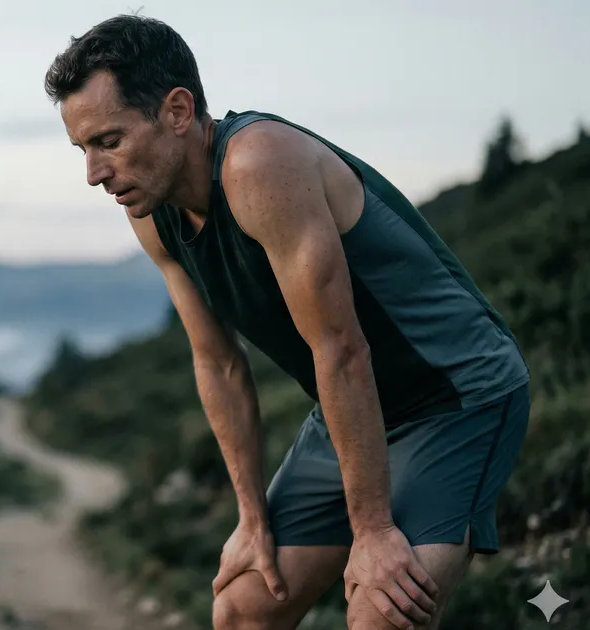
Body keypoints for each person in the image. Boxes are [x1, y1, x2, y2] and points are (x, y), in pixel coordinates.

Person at [42, 14, 531, 630]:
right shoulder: (150, 210)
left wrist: (373, 529)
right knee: (242, 610)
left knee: (384, 614)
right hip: (352, 408)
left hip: (457, 397)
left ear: (177, 110)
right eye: (83, 149)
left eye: (108, 141)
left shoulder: (258, 164)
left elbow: (341, 348)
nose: (93, 173)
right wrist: (250, 519)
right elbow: (217, 363)